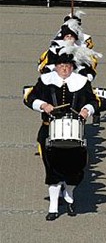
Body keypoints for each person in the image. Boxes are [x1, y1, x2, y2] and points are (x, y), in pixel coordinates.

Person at [23, 51, 99, 221]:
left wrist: (87, 109)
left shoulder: (82, 82)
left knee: (74, 168)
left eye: (68, 66)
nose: (64, 69)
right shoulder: (45, 81)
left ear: (72, 67)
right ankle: (53, 207)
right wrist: (42, 105)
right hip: (49, 130)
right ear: (56, 67)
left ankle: (69, 196)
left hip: (75, 132)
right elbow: (29, 97)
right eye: (61, 66)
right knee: (52, 169)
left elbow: (95, 101)